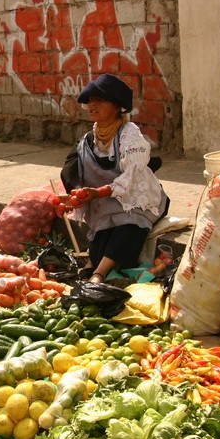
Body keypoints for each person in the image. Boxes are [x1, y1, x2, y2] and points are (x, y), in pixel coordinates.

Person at [61, 74, 169, 284]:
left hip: (141, 197)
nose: (92, 104)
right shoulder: (87, 140)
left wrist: (97, 193)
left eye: (99, 100)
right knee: (103, 228)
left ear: (117, 106)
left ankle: (98, 273)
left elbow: (132, 176)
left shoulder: (130, 134)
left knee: (128, 223)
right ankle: (94, 265)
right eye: (90, 100)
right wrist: (75, 196)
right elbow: (72, 172)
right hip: (107, 199)